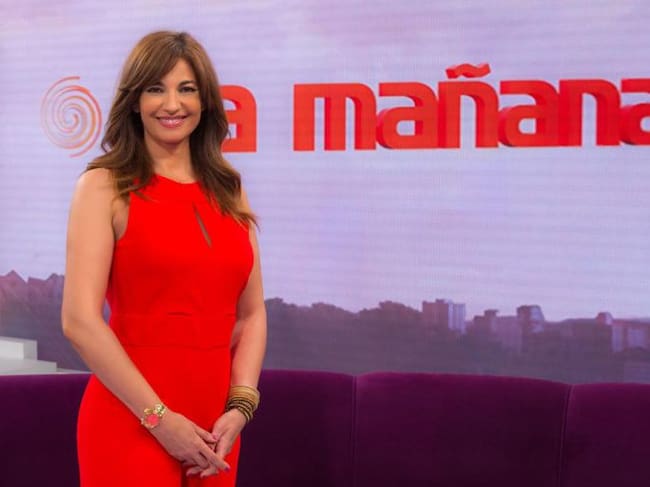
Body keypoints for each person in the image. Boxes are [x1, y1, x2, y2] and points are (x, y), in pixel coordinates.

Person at [61, 31, 267, 486]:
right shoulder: (103, 186)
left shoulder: (229, 189)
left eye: (186, 89)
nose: (172, 104)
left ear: (205, 101)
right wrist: (159, 419)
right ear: (134, 101)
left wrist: (240, 405)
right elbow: (79, 321)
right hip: (131, 420)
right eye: (156, 88)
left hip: (216, 432)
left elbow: (251, 314)